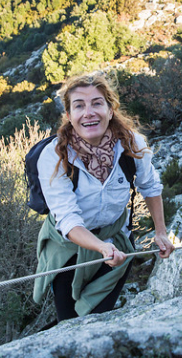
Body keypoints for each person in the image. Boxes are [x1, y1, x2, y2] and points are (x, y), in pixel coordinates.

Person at [32, 72, 174, 322]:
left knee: (99, 317)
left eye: (97, 103)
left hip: (115, 240)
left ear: (110, 110)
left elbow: (150, 186)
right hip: (69, 250)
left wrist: (160, 232)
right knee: (70, 322)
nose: (89, 112)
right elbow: (67, 219)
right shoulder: (54, 156)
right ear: (68, 116)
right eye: (79, 106)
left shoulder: (132, 144)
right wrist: (100, 247)